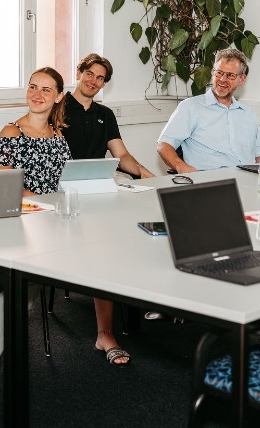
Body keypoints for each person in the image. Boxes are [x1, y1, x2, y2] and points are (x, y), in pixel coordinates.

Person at [63, 54, 152, 366]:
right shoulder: (57, 107)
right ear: (79, 72)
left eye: (100, 78)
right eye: (89, 74)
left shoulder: (105, 114)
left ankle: (149, 296)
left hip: (101, 183)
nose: (93, 81)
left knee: (143, 210)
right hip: (66, 189)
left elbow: (121, 155)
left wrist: (143, 172)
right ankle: (105, 333)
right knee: (106, 246)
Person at [156, 48, 260, 173]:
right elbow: (163, 145)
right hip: (212, 183)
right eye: (219, 73)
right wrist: (181, 167)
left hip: (248, 182)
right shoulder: (191, 107)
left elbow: (258, 157)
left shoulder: (248, 113)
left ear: (242, 79)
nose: (222, 79)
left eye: (230, 75)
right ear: (213, 72)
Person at [0, 67, 72, 195]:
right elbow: (2, 185)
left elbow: (68, 179)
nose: (37, 95)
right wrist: (49, 203)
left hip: (55, 208)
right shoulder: (11, 133)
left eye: (45, 90)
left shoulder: (57, 133)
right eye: (33, 87)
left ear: (58, 97)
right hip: (26, 210)